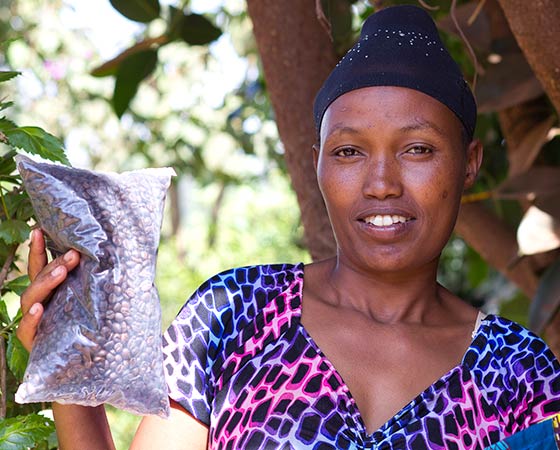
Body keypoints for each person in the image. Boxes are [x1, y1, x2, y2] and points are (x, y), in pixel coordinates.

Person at [16, 5, 560, 450]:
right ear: (318, 161)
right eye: (349, 151)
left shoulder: (519, 372)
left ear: (468, 163)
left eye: (418, 149)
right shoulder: (236, 315)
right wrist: (72, 367)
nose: (381, 183)